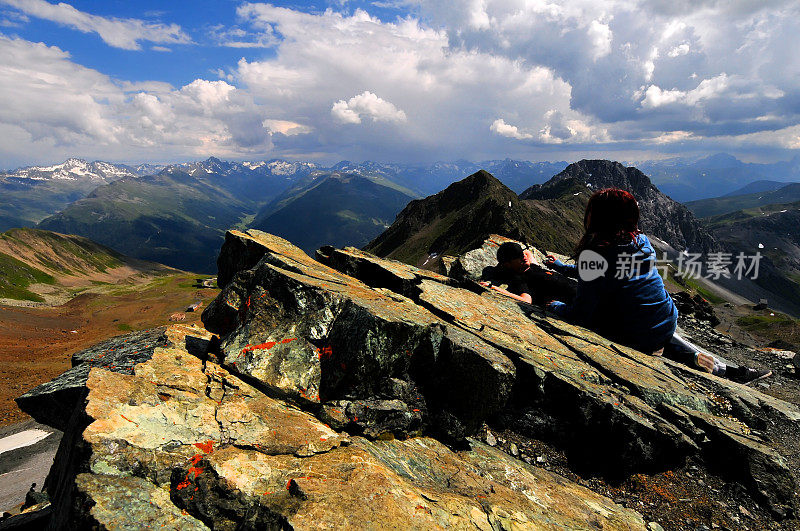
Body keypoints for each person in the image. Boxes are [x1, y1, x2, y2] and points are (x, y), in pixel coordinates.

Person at [542, 188, 771, 385]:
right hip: (666, 318)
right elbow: (604, 271)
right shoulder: (641, 241)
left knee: (619, 317)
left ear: (598, 218)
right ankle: (720, 368)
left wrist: (557, 308)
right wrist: (564, 267)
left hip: (633, 333)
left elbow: (582, 312)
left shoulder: (597, 251)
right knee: (648, 318)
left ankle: (676, 354)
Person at [480, 241, 576, 306]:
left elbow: (527, 252)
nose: (523, 256)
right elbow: (526, 300)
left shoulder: (532, 266)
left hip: (584, 289)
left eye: (521, 253)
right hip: (578, 301)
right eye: (517, 256)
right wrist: (494, 288)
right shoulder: (520, 279)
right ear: (508, 264)